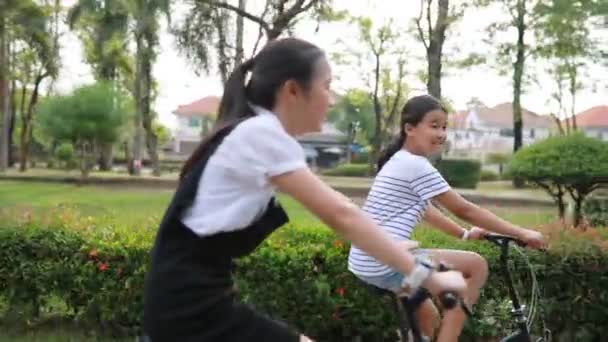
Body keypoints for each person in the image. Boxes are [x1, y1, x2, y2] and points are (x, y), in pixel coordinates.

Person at [141, 38, 467, 342]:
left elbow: (336, 201)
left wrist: (390, 246)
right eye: (327, 86)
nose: (331, 98)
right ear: (293, 91)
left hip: (189, 302)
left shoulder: (257, 133)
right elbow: (342, 216)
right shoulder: (261, 134)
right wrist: (427, 275)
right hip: (189, 309)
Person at [348, 94, 546, 342]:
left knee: (429, 326)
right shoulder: (415, 165)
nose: (441, 133)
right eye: (434, 126)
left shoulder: (398, 160)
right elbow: (465, 209)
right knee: (476, 265)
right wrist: (522, 233)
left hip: (369, 261)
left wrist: (463, 234)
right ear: (409, 128)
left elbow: (427, 210)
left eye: (444, 127)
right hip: (386, 263)